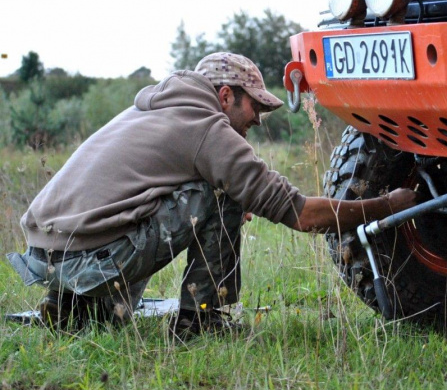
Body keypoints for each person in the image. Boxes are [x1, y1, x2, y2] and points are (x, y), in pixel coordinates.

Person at [7, 52, 417, 338]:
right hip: (89, 261)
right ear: (225, 96)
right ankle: (198, 321)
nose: (257, 118)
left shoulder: (151, 109)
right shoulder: (206, 127)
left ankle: (72, 308)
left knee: (213, 194)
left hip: (48, 257)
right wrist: (387, 205)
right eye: (253, 105)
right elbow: (302, 215)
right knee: (220, 194)